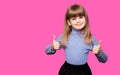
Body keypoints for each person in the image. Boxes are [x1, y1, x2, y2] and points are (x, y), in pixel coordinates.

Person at [45, 4, 108, 75]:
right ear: (69, 22)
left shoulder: (90, 38)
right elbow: (47, 51)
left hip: (83, 71)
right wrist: (52, 47)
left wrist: (99, 52)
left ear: (85, 19)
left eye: (81, 17)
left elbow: (104, 60)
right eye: (74, 19)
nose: (78, 21)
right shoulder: (64, 36)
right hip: (67, 70)